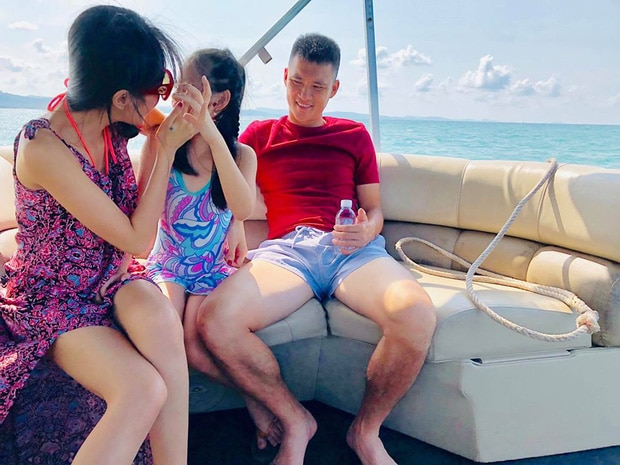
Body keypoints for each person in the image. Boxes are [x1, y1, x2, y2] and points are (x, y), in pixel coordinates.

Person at [194, 33, 437, 465]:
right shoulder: (259, 135)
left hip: (352, 251)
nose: (304, 96)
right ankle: (295, 419)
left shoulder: (354, 135)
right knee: (216, 321)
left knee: (416, 315)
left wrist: (366, 230)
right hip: (286, 251)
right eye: (297, 83)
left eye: (317, 87)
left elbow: (374, 209)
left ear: (334, 89)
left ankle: (365, 432)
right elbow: (231, 192)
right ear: (285, 77)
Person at [0, 5, 196, 464]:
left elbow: (166, 127)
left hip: (111, 276)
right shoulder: (43, 147)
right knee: (142, 389)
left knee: (163, 323)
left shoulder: (114, 121)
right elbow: (138, 239)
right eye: (156, 89)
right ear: (122, 96)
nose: (158, 99)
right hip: (53, 296)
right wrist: (165, 151)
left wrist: (185, 120)